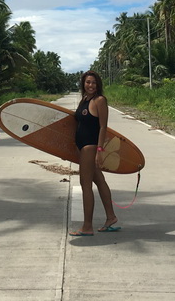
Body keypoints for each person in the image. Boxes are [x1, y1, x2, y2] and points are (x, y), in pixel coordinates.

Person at [69, 70, 119, 236]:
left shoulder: (100, 100)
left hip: (91, 147)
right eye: (88, 82)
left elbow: (103, 127)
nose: (91, 85)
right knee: (100, 181)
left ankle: (87, 226)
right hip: (83, 147)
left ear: (98, 85)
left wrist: (99, 151)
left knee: (86, 185)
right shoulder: (84, 99)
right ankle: (111, 217)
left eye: (94, 83)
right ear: (83, 83)